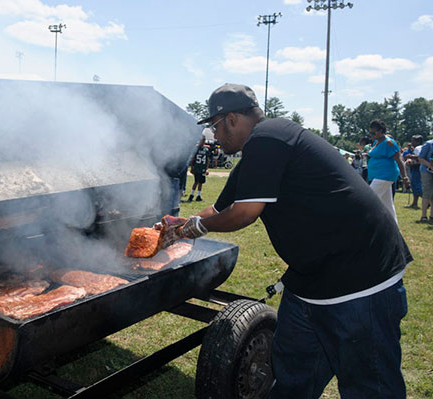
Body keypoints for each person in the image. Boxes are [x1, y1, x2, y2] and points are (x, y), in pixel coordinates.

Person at [161, 84, 412, 398]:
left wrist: (195, 228)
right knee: (291, 379)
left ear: (232, 119)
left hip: (361, 281)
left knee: (370, 388)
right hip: (310, 282)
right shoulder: (260, 150)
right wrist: (181, 224)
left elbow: (245, 213)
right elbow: (220, 208)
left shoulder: (270, 137)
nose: (215, 135)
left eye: (215, 126)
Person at [367, 120, 409, 223]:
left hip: (385, 176)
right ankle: (394, 228)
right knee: (388, 205)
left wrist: (405, 177)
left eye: (374, 133)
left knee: (368, 199)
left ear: (381, 131)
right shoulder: (377, 142)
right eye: (370, 133)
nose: (372, 135)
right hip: (377, 175)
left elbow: (399, 161)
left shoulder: (389, 143)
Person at [403, 135, 424, 209]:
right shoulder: (416, 148)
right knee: (414, 187)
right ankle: (414, 203)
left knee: (417, 187)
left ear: (418, 141)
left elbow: (420, 159)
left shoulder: (418, 148)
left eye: (413, 141)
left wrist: (410, 157)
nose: (411, 142)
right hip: (415, 169)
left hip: (417, 169)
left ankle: (428, 201)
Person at [187, 135, 210, 202]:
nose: (202, 142)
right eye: (201, 140)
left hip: (202, 168)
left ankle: (198, 195)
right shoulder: (196, 149)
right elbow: (193, 159)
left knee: (201, 182)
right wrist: (192, 167)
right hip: (197, 167)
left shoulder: (206, 150)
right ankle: (191, 195)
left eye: (203, 141)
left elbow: (207, 159)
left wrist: (207, 169)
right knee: (196, 182)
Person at [418, 137, 433, 223]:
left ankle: (432, 215)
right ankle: (423, 215)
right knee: (427, 193)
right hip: (426, 171)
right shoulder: (428, 144)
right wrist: (430, 166)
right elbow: (420, 158)